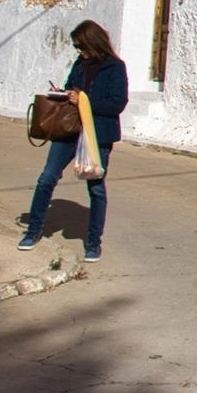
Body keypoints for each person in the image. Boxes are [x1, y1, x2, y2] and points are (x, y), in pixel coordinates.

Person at [20, 20, 128, 261]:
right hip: (69, 130)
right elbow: (72, 87)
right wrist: (65, 93)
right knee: (47, 177)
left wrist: (83, 100)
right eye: (76, 47)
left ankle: (93, 243)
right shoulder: (80, 64)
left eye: (80, 45)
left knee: (96, 188)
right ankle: (33, 231)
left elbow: (117, 104)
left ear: (93, 42)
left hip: (97, 134)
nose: (78, 51)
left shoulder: (115, 67)